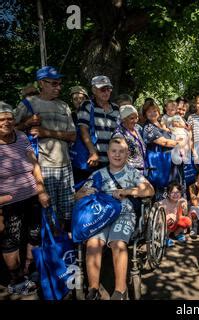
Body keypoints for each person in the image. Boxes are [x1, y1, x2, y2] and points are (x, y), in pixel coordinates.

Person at [75, 137, 154, 300]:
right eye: (114, 151)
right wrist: (84, 193)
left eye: (121, 151)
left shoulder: (133, 173)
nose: (117, 155)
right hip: (101, 216)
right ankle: (93, 289)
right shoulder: (98, 174)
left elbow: (150, 190)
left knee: (118, 244)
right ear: (108, 153)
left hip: (125, 214)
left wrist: (128, 191)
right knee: (93, 244)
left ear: (127, 154)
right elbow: (77, 195)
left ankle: (120, 290)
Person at [15, 66, 76, 229]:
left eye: (60, 83)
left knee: (68, 213)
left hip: (65, 166)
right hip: (43, 168)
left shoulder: (64, 106)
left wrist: (46, 132)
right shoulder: (28, 104)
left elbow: (72, 135)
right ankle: (50, 249)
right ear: (41, 83)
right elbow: (8, 132)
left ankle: (65, 249)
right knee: (49, 214)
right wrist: (26, 123)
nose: (59, 87)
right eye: (54, 83)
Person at [0, 102, 50, 295]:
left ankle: (31, 269)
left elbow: (34, 164)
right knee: (10, 240)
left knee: (34, 234)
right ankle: (17, 277)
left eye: (10, 118)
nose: (7, 122)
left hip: (31, 196)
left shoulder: (21, 137)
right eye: (2, 119)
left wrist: (41, 190)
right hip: (7, 202)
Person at [76, 75, 120, 177]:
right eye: (102, 89)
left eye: (109, 89)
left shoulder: (116, 108)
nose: (106, 92)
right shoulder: (87, 106)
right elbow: (83, 130)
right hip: (93, 160)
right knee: (91, 190)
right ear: (94, 90)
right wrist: (92, 152)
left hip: (112, 159)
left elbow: (118, 133)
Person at [142, 102, 184, 199]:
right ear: (145, 114)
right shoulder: (148, 128)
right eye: (149, 111)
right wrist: (179, 142)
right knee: (162, 193)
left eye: (155, 110)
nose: (153, 113)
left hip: (170, 163)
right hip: (159, 164)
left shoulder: (160, 124)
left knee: (173, 190)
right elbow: (164, 142)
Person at [111, 105, 146, 174]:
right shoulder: (119, 135)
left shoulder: (137, 128)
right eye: (132, 118)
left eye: (137, 117)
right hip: (129, 171)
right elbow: (118, 156)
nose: (135, 121)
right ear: (124, 119)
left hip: (141, 169)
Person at [159, 181, 191, 247]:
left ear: (180, 193)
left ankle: (177, 233)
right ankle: (166, 237)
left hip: (176, 223)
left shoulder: (182, 201)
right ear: (168, 194)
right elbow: (159, 218)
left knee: (187, 220)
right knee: (171, 217)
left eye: (177, 192)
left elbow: (185, 213)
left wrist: (184, 207)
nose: (175, 195)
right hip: (166, 225)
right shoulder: (163, 203)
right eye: (172, 193)